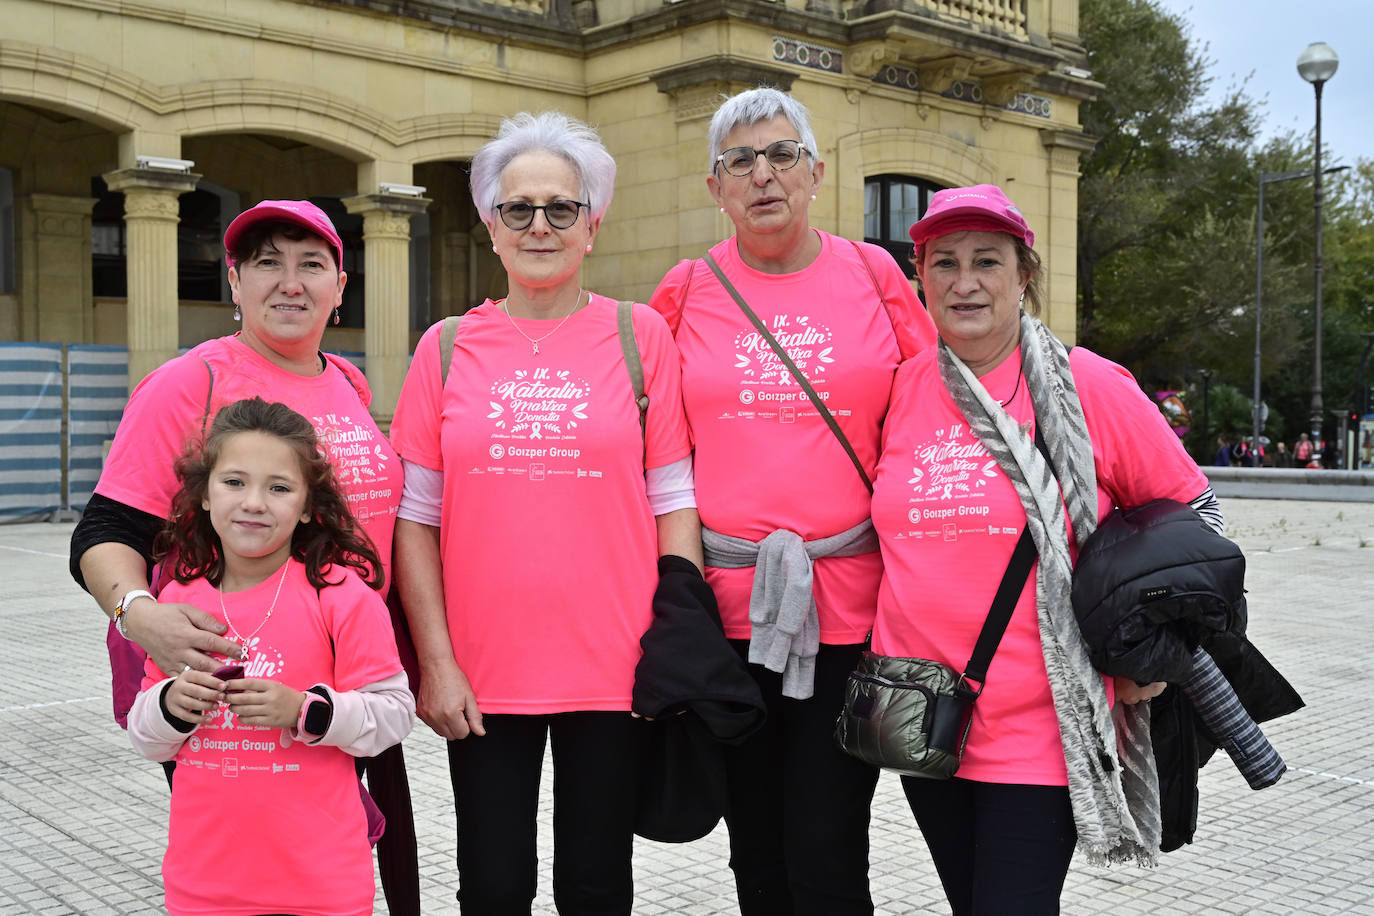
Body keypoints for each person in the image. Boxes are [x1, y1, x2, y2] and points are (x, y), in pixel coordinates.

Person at [870, 184, 1224, 914]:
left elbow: (1199, 522)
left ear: (1024, 275)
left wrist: (1153, 660)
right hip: (925, 716)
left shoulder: (1086, 384)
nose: (964, 282)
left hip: (1040, 725)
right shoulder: (904, 386)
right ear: (921, 277)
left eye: (987, 261)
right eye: (945, 263)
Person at [68, 199, 422, 913]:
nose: (290, 282)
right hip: (233, 677)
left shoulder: (346, 380)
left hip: (339, 670)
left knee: (336, 848)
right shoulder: (191, 381)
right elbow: (105, 529)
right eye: (267, 263)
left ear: (340, 287)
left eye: (311, 265)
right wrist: (143, 617)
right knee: (252, 858)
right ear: (234, 281)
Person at [389, 111, 701, 914]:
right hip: (482, 672)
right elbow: (415, 520)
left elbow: (674, 500)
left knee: (596, 886)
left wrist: (675, 641)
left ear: (591, 225)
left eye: (561, 207)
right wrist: (436, 662)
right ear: (491, 225)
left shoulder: (639, 336)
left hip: (616, 668)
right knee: (493, 887)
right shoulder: (445, 347)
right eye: (518, 208)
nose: (539, 225)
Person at [647, 87, 936, 916]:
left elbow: (929, 414)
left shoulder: (875, 276)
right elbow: (652, 451)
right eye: (740, 161)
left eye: (781, 155)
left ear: (816, 172)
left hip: (851, 616)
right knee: (755, 844)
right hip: (725, 619)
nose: (762, 175)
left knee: (829, 844)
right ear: (716, 187)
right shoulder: (687, 289)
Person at [127, 397, 414, 916]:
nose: (254, 503)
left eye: (279, 488)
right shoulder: (178, 602)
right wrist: (170, 704)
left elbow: (394, 713)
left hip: (321, 887)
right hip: (202, 885)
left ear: (306, 505)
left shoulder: (341, 596)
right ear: (205, 495)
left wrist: (305, 711)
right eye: (234, 482)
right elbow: (146, 738)